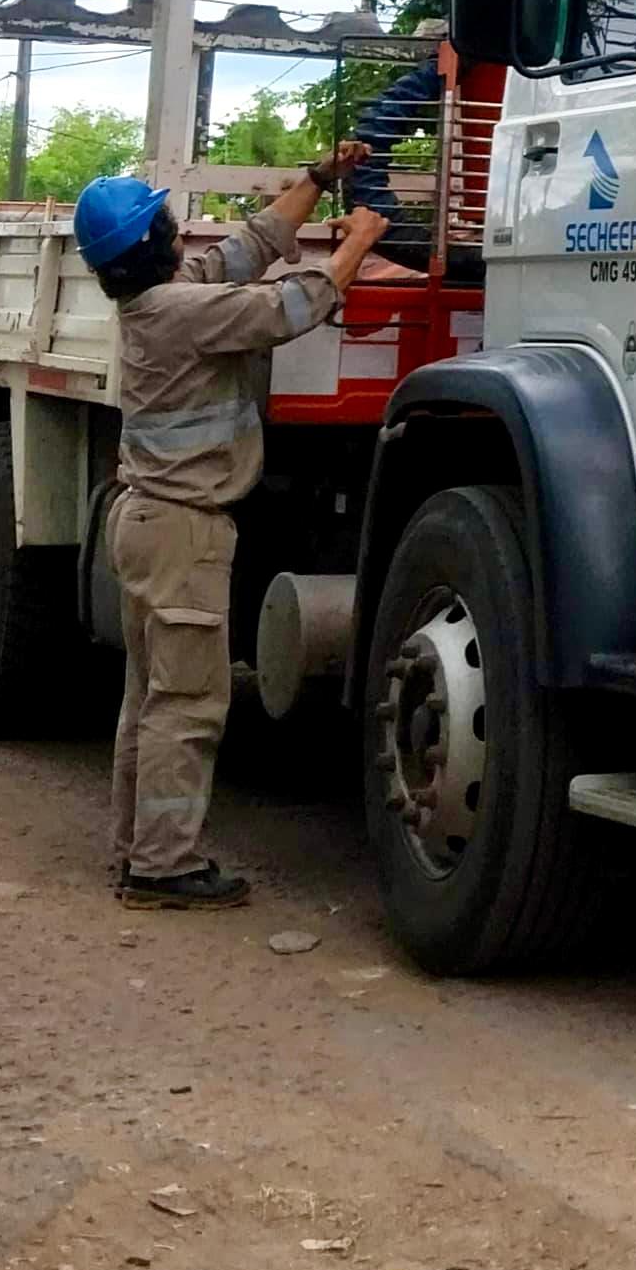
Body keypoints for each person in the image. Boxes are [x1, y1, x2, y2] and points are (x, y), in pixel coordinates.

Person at [73, 151, 389, 908]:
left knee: (151, 699)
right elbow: (295, 305)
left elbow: (242, 251)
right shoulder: (183, 313)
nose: (176, 229)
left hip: (148, 521)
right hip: (182, 530)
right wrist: (360, 238)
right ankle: (164, 868)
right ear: (153, 243)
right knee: (186, 703)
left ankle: (140, 851)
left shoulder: (160, 302)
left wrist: (317, 181)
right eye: (165, 222)